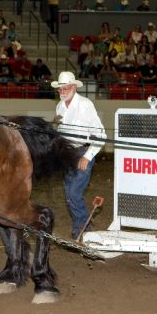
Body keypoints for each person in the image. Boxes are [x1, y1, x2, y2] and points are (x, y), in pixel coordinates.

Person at [53, 71, 106, 240]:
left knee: (73, 193)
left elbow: (101, 134)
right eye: (60, 89)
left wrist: (88, 156)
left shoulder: (85, 105)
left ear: (74, 87)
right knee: (70, 195)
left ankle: (83, 229)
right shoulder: (59, 107)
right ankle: (83, 227)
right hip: (67, 155)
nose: (62, 92)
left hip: (83, 152)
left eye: (66, 88)